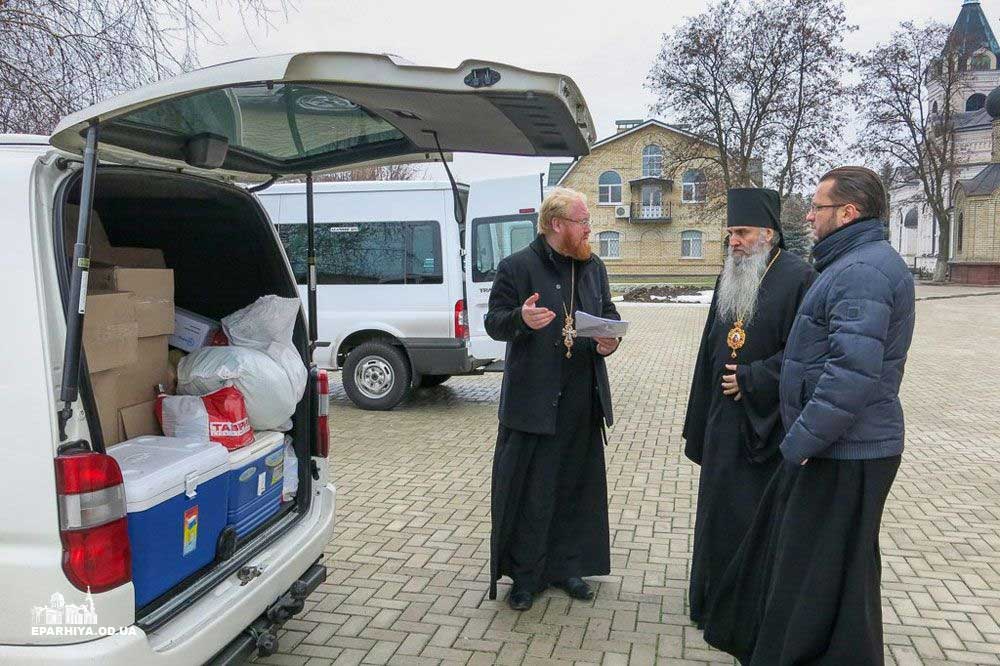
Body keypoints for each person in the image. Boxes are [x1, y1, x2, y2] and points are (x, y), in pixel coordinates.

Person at [704, 167, 916, 665]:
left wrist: (800, 441)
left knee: (816, 568)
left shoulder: (862, 271)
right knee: (838, 568)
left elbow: (850, 376)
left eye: (818, 206)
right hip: (847, 445)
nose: (809, 214)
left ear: (848, 212)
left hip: (846, 449)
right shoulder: (853, 264)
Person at [683, 188, 816, 628]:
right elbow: (709, 347)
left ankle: (745, 607)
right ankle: (711, 599)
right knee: (717, 510)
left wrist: (753, 378)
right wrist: (699, 417)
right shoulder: (730, 274)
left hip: (766, 422)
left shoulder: (799, 278)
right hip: (724, 419)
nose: (733, 242)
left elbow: (807, 355)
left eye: (740, 233)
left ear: (768, 234)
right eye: (729, 234)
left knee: (749, 514)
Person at [485, 187, 621, 611]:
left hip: (582, 400)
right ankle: (526, 577)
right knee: (533, 493)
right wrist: (521, 319)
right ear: (556, 224)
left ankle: (568, 567)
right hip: (534, 404)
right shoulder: (517, 267)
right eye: (582, 222)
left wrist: (609, 340)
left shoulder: (593, 266)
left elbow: (609, 313)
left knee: (574, 488)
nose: (588, 229)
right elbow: (494, 323)